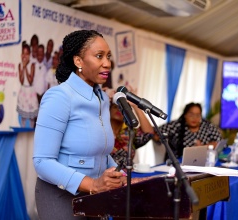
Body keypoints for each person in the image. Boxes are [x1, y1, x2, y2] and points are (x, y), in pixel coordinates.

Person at [33, 30, 127, 219]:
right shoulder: (60, 96)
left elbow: (101, 153)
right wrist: (93, 184)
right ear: (78, 61)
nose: (107, 63)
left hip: (94, 197)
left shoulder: (101, 98)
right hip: (60, 196)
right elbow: (42, 161)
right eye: (99, 56)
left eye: (108, 56)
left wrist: (122, 175)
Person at [153, 102, 222, 160]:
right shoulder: (176, 125)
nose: (194, 118)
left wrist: (203, 147)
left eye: (198, 115)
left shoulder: (207, 126)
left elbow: (219, 142)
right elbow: (155, 133)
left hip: (203, 162)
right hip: (176, 163)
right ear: (185, 115)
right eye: (191, 114)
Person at [109, 86, 154, 169]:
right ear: (109, 110)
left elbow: (149, 133)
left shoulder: (129, 132)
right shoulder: (100, 132)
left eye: (122, 108)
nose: (118, 110)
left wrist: (135, 105)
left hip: (128, 176)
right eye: (115, 107)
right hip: (105, 177)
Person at [16, 41, 39, 128]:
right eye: (23, 53)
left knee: (31, 116)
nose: (24, 56)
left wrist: (25, 67)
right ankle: (23, 130)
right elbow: (21, 81)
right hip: (23, 91)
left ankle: (31, 131)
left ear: (29, 55)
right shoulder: (19, 65)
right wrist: (22, 67)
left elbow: (30, 81)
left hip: (30, 92)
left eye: (26, 54)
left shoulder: (32, 65)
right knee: (23, 116)